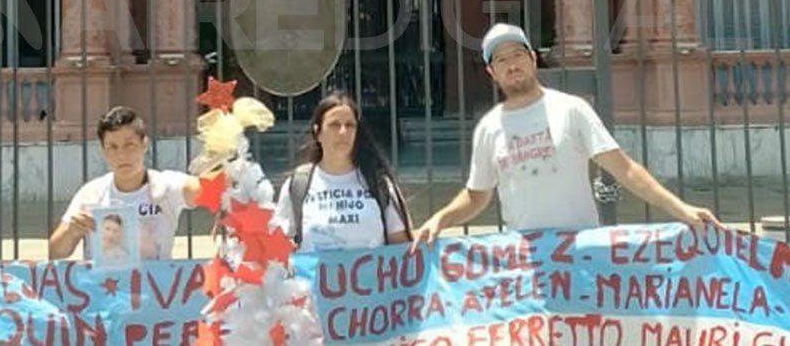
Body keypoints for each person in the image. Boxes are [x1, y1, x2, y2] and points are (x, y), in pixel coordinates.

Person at [413, 23, 718, 247]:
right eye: (501, 60)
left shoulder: (571, 110)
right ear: (491, 73)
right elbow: (477, 196)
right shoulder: (489, 128)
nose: (511, 65)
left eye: (517, 54)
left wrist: (682, 210)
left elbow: (623, 168)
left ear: (533, 59)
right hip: (525, 254)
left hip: (580, 251)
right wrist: (441, 219)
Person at [49, 106, 202, 261]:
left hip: (154, 283)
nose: (121, 155)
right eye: (112, 147)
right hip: (102, 283)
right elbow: (55, 253)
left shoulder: (166, 186)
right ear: (103, 150)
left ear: (144, 144)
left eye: (129, 145)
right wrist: (71, 231)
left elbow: (204, 189)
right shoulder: (91, 193)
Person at [273, 91, 412, 252]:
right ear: (317, 132)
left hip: (371, 277)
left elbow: (401, 248)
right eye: (334, 125)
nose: (343, 132)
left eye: (350, 125)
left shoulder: (379, 183)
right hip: (314, 278)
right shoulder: (297, 185)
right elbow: (279, 248)